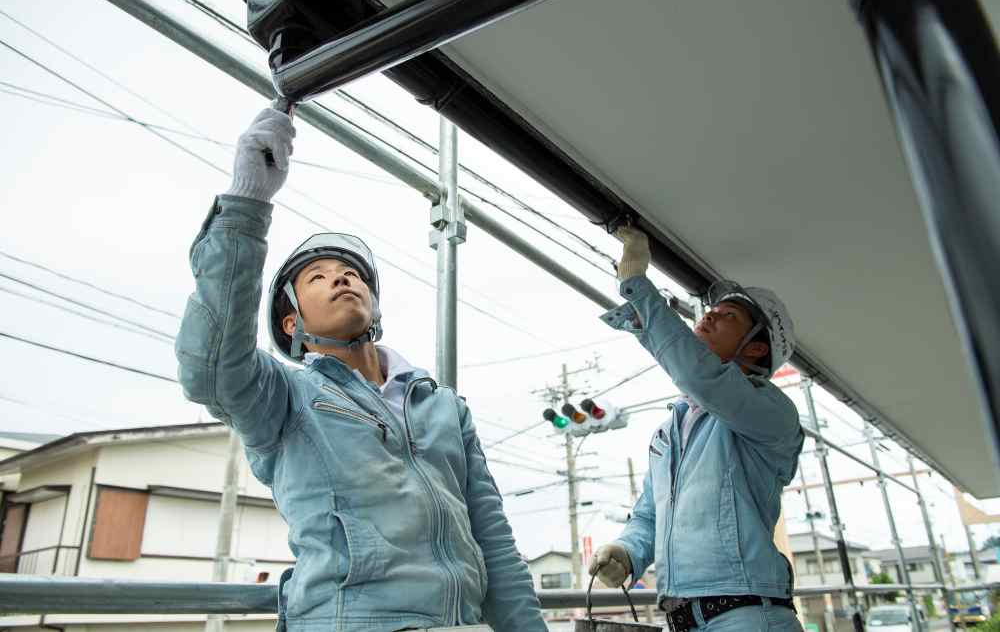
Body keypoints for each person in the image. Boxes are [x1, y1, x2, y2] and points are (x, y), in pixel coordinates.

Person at [175, 107, 546, 632]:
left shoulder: (442, 405)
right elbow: (209, 367)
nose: (341, 278)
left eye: (352, 273)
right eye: (317, 276)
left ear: (374, 302)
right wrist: (247, 203)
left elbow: (494, 541)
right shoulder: (283, 395)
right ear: (291, 321)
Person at [588, 227, 804, 631]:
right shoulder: (669, 432)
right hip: (683, 618)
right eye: (712, 309)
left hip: (749, 616)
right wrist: (627, 552)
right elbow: (649, 517)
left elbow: (701, 377)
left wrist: (637, 284)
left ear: (755, 348)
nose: (709, 315)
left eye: (729, 316)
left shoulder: (771, 410)